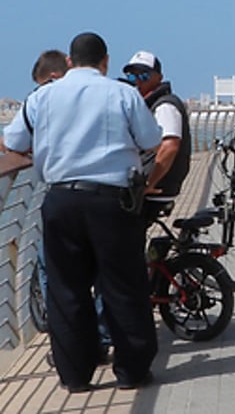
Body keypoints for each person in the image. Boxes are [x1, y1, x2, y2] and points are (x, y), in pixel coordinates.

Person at [2, 32, 162, 392]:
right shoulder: (122, 93)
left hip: (61, 201)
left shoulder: (42, 96)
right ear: (105, 61)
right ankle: (132, 371)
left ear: (70, 62)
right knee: (123, 285)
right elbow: (151, 139)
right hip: (112, 202)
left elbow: (13, 142)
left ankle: (75, 375)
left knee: (66, 290)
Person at [122, 50, 191, 225]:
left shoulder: (165, 106)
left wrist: (149, 184)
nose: (137, 81)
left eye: (144, 75)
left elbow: (170, 146)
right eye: (132, 76)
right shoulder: (148, 105)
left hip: (159, 188)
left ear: (158, 77)